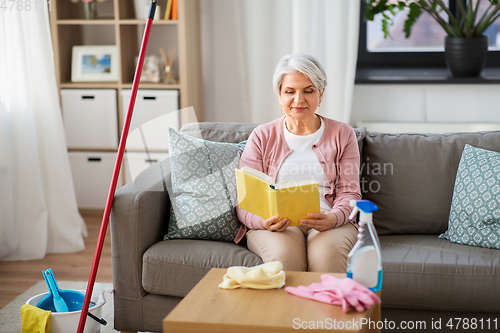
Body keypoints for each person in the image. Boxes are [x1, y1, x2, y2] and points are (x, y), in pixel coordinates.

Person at [235, 53, 362, 273]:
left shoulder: (343, 134)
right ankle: (288, 309)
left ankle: (328, 307)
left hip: (329, 221)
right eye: (290, 92)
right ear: (280, 95)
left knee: (327, 257)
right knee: (284, 258)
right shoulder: (261, 136)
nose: (298, 100)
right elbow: (245, 201)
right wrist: (264, 222)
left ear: (321, 94)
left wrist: (333, 218)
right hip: (276, 225)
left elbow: (350, 193)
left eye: (308, 91)